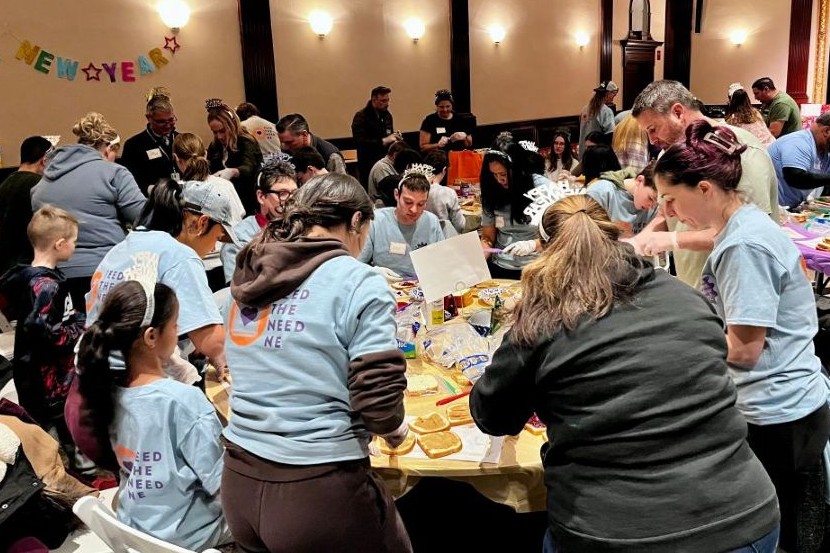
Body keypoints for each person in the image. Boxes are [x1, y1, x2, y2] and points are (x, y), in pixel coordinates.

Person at [470, 194, 780, 553]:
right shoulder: (686, 298)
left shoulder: (543, 321)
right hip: (745, 516)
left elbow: (492, 416)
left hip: (615, 531)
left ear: (543, 252)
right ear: (615, 237)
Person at [654, 120, 830, 552]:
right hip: (794, 402)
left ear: (706, 189)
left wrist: (681, 346)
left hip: (777, 411)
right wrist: (650, 244)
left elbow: (746, 351)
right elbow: (709, 238)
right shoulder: (743, 220)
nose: (672, 214)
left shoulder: (744, 246)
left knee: (777, 526)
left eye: (672, 200)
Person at [222, 172, 412, 553]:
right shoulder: (358, 279)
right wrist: (396, 430)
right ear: (357, 221)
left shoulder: (253, 270)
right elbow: (377, 401)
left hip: (238, 481)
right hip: (318, 491)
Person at [75, 280, 231, 550]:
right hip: (191, 537)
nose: (179, 330)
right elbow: (223, 488)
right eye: (175, 324)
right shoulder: (184, 402)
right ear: (151, 336)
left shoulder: (108, 389)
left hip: (138, 526)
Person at [630, 79, 778, 288]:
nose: (652, 140)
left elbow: (750, 232)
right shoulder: (670, 153)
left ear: (678, 112)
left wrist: (673, 240)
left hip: (737, 284)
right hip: (695, 284)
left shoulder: (739, 151)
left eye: (653, 129)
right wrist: (638, 243)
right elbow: (666, 212)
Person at [31, 112, 146, 313]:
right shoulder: (114, 173)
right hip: (107, 273)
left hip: (56, 278)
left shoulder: (44, 181)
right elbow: (144, 217)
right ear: (107, 148)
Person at [0, 207, 84, 455]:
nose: (75, 247)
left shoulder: (33, 278)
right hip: (48, 382)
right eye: (74, 242)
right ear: (59, 244)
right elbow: (50, 333)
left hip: (41, 377)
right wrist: (81, 327)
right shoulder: (45, 286)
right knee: (54, 434)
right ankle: (63, 469)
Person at [221, 159, 297, 284]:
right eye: (282, 193)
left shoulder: (303, 229)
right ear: (261, 196)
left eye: (295, 193)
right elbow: (237, 291)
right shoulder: (238, 239)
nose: (291, 200)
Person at [358, 168, 444, 279]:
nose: (414, 209)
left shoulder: (432, 222)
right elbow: (356, 264)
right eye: (408, 202)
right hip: (386, 286)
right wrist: (372, 271)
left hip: (422, 286)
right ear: (396, 195)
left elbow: (442, 262)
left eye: (421, 204)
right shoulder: (376, 221)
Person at [479, 144, 537, 279]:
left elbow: (557, 238)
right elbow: (488, 237)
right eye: (494, 174)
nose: (499, 180)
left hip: (536, 267)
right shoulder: (492, 192)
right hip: (501, 265)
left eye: (503, 174)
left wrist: (533, 244)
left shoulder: (540, 189)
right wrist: (480, 255)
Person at [0, 136, 52, 275]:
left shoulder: (4, 184)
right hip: (30, 266)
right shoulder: (40, 187)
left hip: (5, 267)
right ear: (44, 160)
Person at [205, 98, 264, 216]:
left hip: (248, 203)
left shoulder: (246, 141)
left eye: (222, 131)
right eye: (215, 132)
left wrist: (233, 171)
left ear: (232, 125)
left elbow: (249, 167)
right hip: (225, 205)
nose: (219, 136)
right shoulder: (214, 146)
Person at [119, 87, 180, 195]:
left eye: (171, 120)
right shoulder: (134, 145)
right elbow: (130, 182)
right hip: (152, 200)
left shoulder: (181, 139)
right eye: (161, 122)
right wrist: (155, 191)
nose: (168, 125)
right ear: (148, 118)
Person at [767, 111, 830, 209]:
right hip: (773, 210)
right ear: (827, 131)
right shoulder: (799, 142)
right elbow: (796, 178)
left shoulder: (824, 149)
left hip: (791, 207)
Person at [586, 161, 658, 237]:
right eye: (650, 198)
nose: (651, 206)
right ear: (639, 180)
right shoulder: (601, 192)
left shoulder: (654, 208)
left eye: (656, 203)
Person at [352, 85, 402, 187]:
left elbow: (389, 134)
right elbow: (359, 141)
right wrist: (383, 140)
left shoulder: (387, 115)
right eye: (383, 101)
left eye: (388, 100)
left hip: (387, 161)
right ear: (374, 100)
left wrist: (395, 138)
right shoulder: (361, 117)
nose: (387, 104)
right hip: (368, 163)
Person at [276, 113, 345, 175]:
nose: (285, 147)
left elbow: (341, 187)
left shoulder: (331, 155)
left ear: (304, 134)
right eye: (282, 142)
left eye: (289, 142)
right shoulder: (287, 152)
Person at [423, 152, 466, 237]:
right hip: (444, 239)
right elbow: (460, 225)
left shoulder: (416, 188)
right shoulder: (448, 193)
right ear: (444, 169)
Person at [578, 81, 617, 158]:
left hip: (583, 155)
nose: (614, 97)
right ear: (608, 93)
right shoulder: (606, 111)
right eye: (614, 94)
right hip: (597, 157)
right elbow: (610, 136)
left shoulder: (584, 109)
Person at [368, 141, 409, 205]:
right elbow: (391, 194)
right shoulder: (381, 167)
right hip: (381, 208)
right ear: (395, 155)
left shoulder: (393, 165)